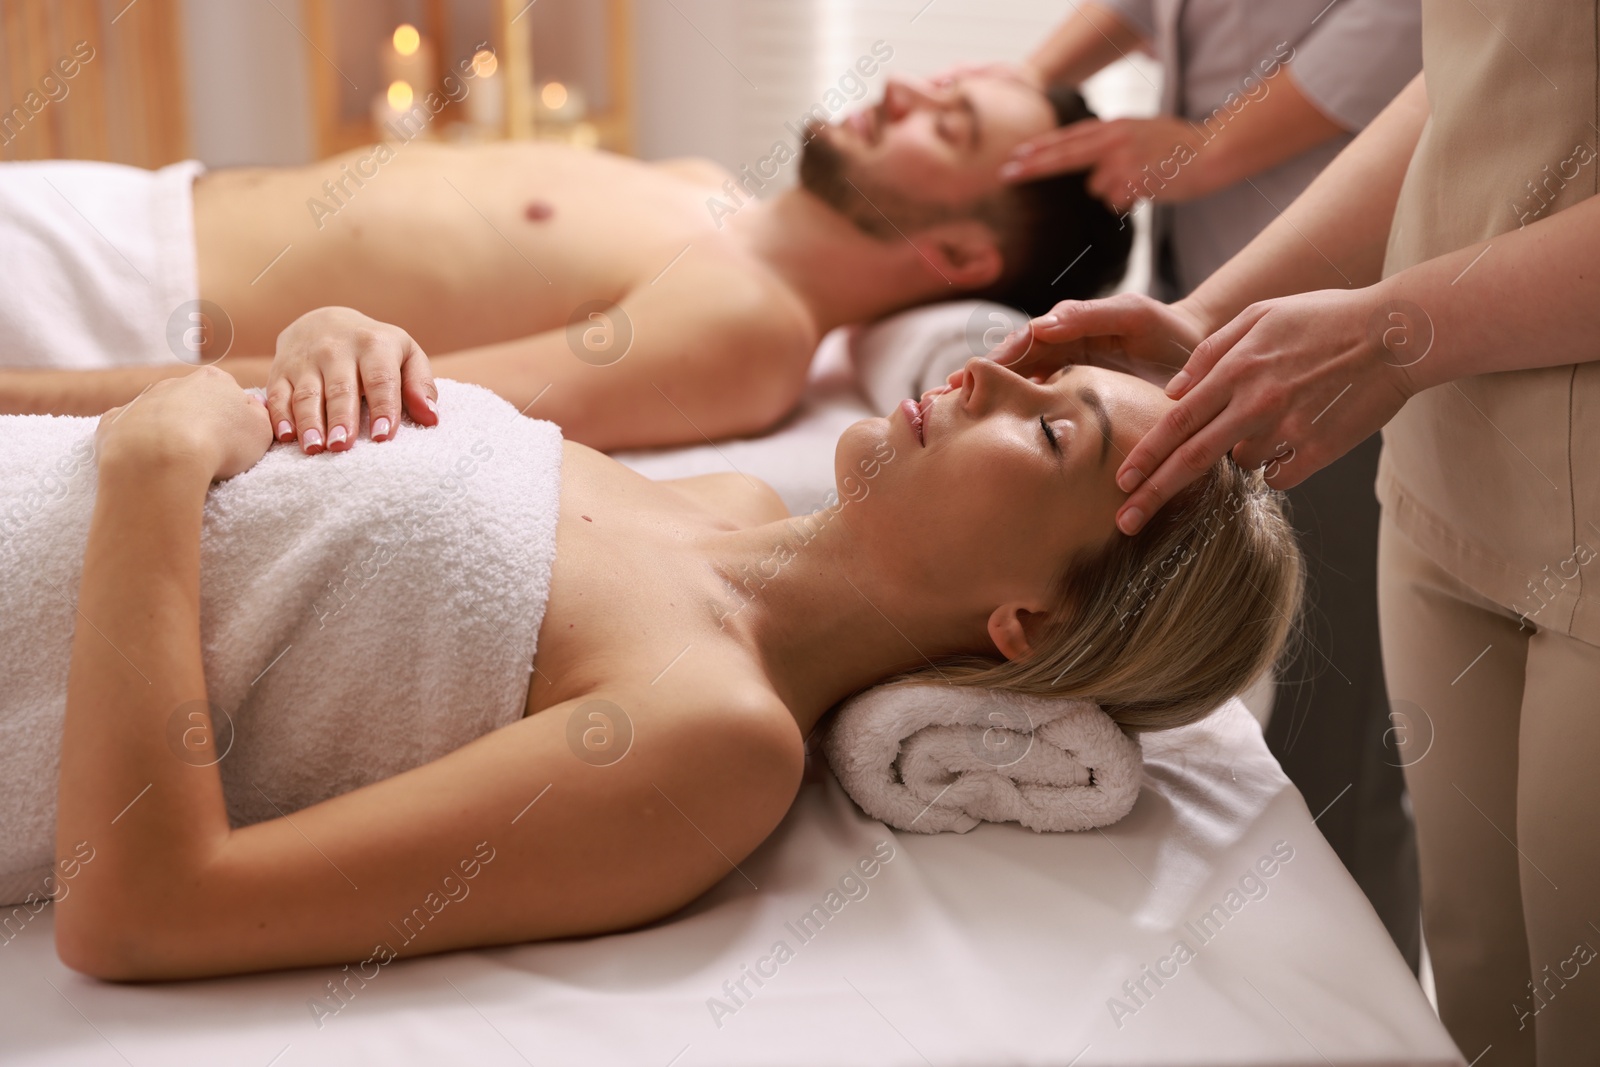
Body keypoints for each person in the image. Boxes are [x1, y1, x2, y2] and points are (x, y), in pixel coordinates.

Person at [3, 314, 1302, 980]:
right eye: (1030, 369)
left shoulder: (712, 740)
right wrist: (317, 350)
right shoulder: (712, 508)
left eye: (1050, 431)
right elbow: (235, 478)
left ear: (1031, 618)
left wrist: (161, 472)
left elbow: (143, 911)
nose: (983, 376)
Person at [992, 0, 1600, 1057]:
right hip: (1446, 476)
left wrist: (1394, 333)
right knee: (1480, 1003)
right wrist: (1213, 320)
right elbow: (1469, 82)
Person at [943, 0, 1425, 973]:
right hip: (1214, 278)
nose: (981, 385)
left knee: (1344, 725)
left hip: (1349, 306)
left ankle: (1337, 985)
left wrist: (1201, 150)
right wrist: (1024, 99)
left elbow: (1420, 37)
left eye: (1045, 426)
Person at [0, 75, 1128, 454]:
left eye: (950, 125)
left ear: (959, 251)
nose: (902, 90)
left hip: (84, 320)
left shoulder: (747, 330)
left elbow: (362, 398)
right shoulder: (703, 188)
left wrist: (21, 403)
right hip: (93, 210)